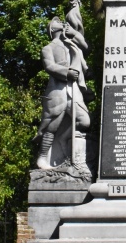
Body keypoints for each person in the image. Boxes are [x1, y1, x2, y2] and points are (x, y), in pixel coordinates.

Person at [35, 14, 91, 170]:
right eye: (58, 22)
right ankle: (42, 158)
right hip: (57, 92)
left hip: (74, 92)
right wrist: (67, 72)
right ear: (53, 29)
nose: (61, 22)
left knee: (84, 121)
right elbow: (49, 66)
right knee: (51, 127)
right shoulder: (48, 48)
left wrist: (75, 33)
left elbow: (86, 47)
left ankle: (65, 140)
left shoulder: (72, 44)